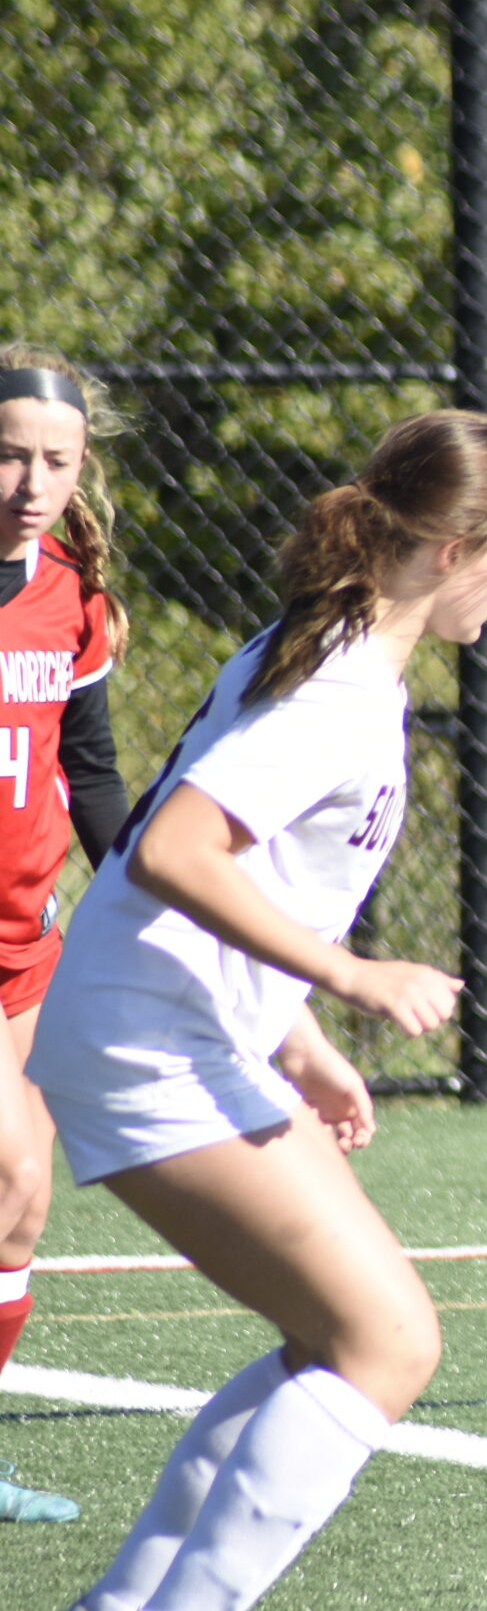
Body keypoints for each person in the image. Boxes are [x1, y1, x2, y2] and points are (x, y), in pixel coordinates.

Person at [28, 410, 487, 1611]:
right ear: (447, 548)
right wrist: (350, 974)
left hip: (174, 1024)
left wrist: (296, 1034)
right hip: (143, 1037)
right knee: (389, 1342)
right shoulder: (331, 689)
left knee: (341, 1340)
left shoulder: (331, 655)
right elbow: (171, 850)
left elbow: (230, 861)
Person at [0, 346, 134, 1523]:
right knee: (15, 1172)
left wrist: (146, 893)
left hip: (25, 949)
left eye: (56, 459)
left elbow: (87, 771)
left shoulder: (69, 593)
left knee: (14, 1204)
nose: (30, 482)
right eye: (8, 453)